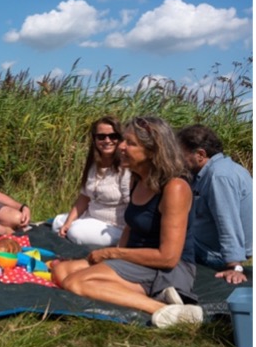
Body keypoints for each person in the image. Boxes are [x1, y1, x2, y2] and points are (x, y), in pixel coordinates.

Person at [52, 117, 203, 328]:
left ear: (152, 151)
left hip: (166, 269)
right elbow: (130, 227)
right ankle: (157, 299)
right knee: (61, 271)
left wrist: (112, 254)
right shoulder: (137, 179)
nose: (120, 146)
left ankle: (166, 311)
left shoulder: (174, 188)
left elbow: (168, 257)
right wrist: (113, 260)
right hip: (136, 261)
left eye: (130, 143)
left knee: (75, 282)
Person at [177, 124, 252, 285]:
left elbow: (228, 222)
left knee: (165, 241)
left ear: (200, 154)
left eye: (181, 155)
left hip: (214, 254)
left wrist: (234, 266)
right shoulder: (220, 169)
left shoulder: (219, 177)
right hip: (207, 245)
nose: (178, 160)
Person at [52, 116, 131, 246]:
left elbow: (132, 208)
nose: (107, 140)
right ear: (94, 139)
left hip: (113, 227)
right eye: (101, 137)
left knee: (75, 231)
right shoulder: (94, 165)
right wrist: (68, 222)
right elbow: (84, 197)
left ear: (120, 138)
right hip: (91, 217)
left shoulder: (125, 169)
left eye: (113, 136)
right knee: (58, 222)